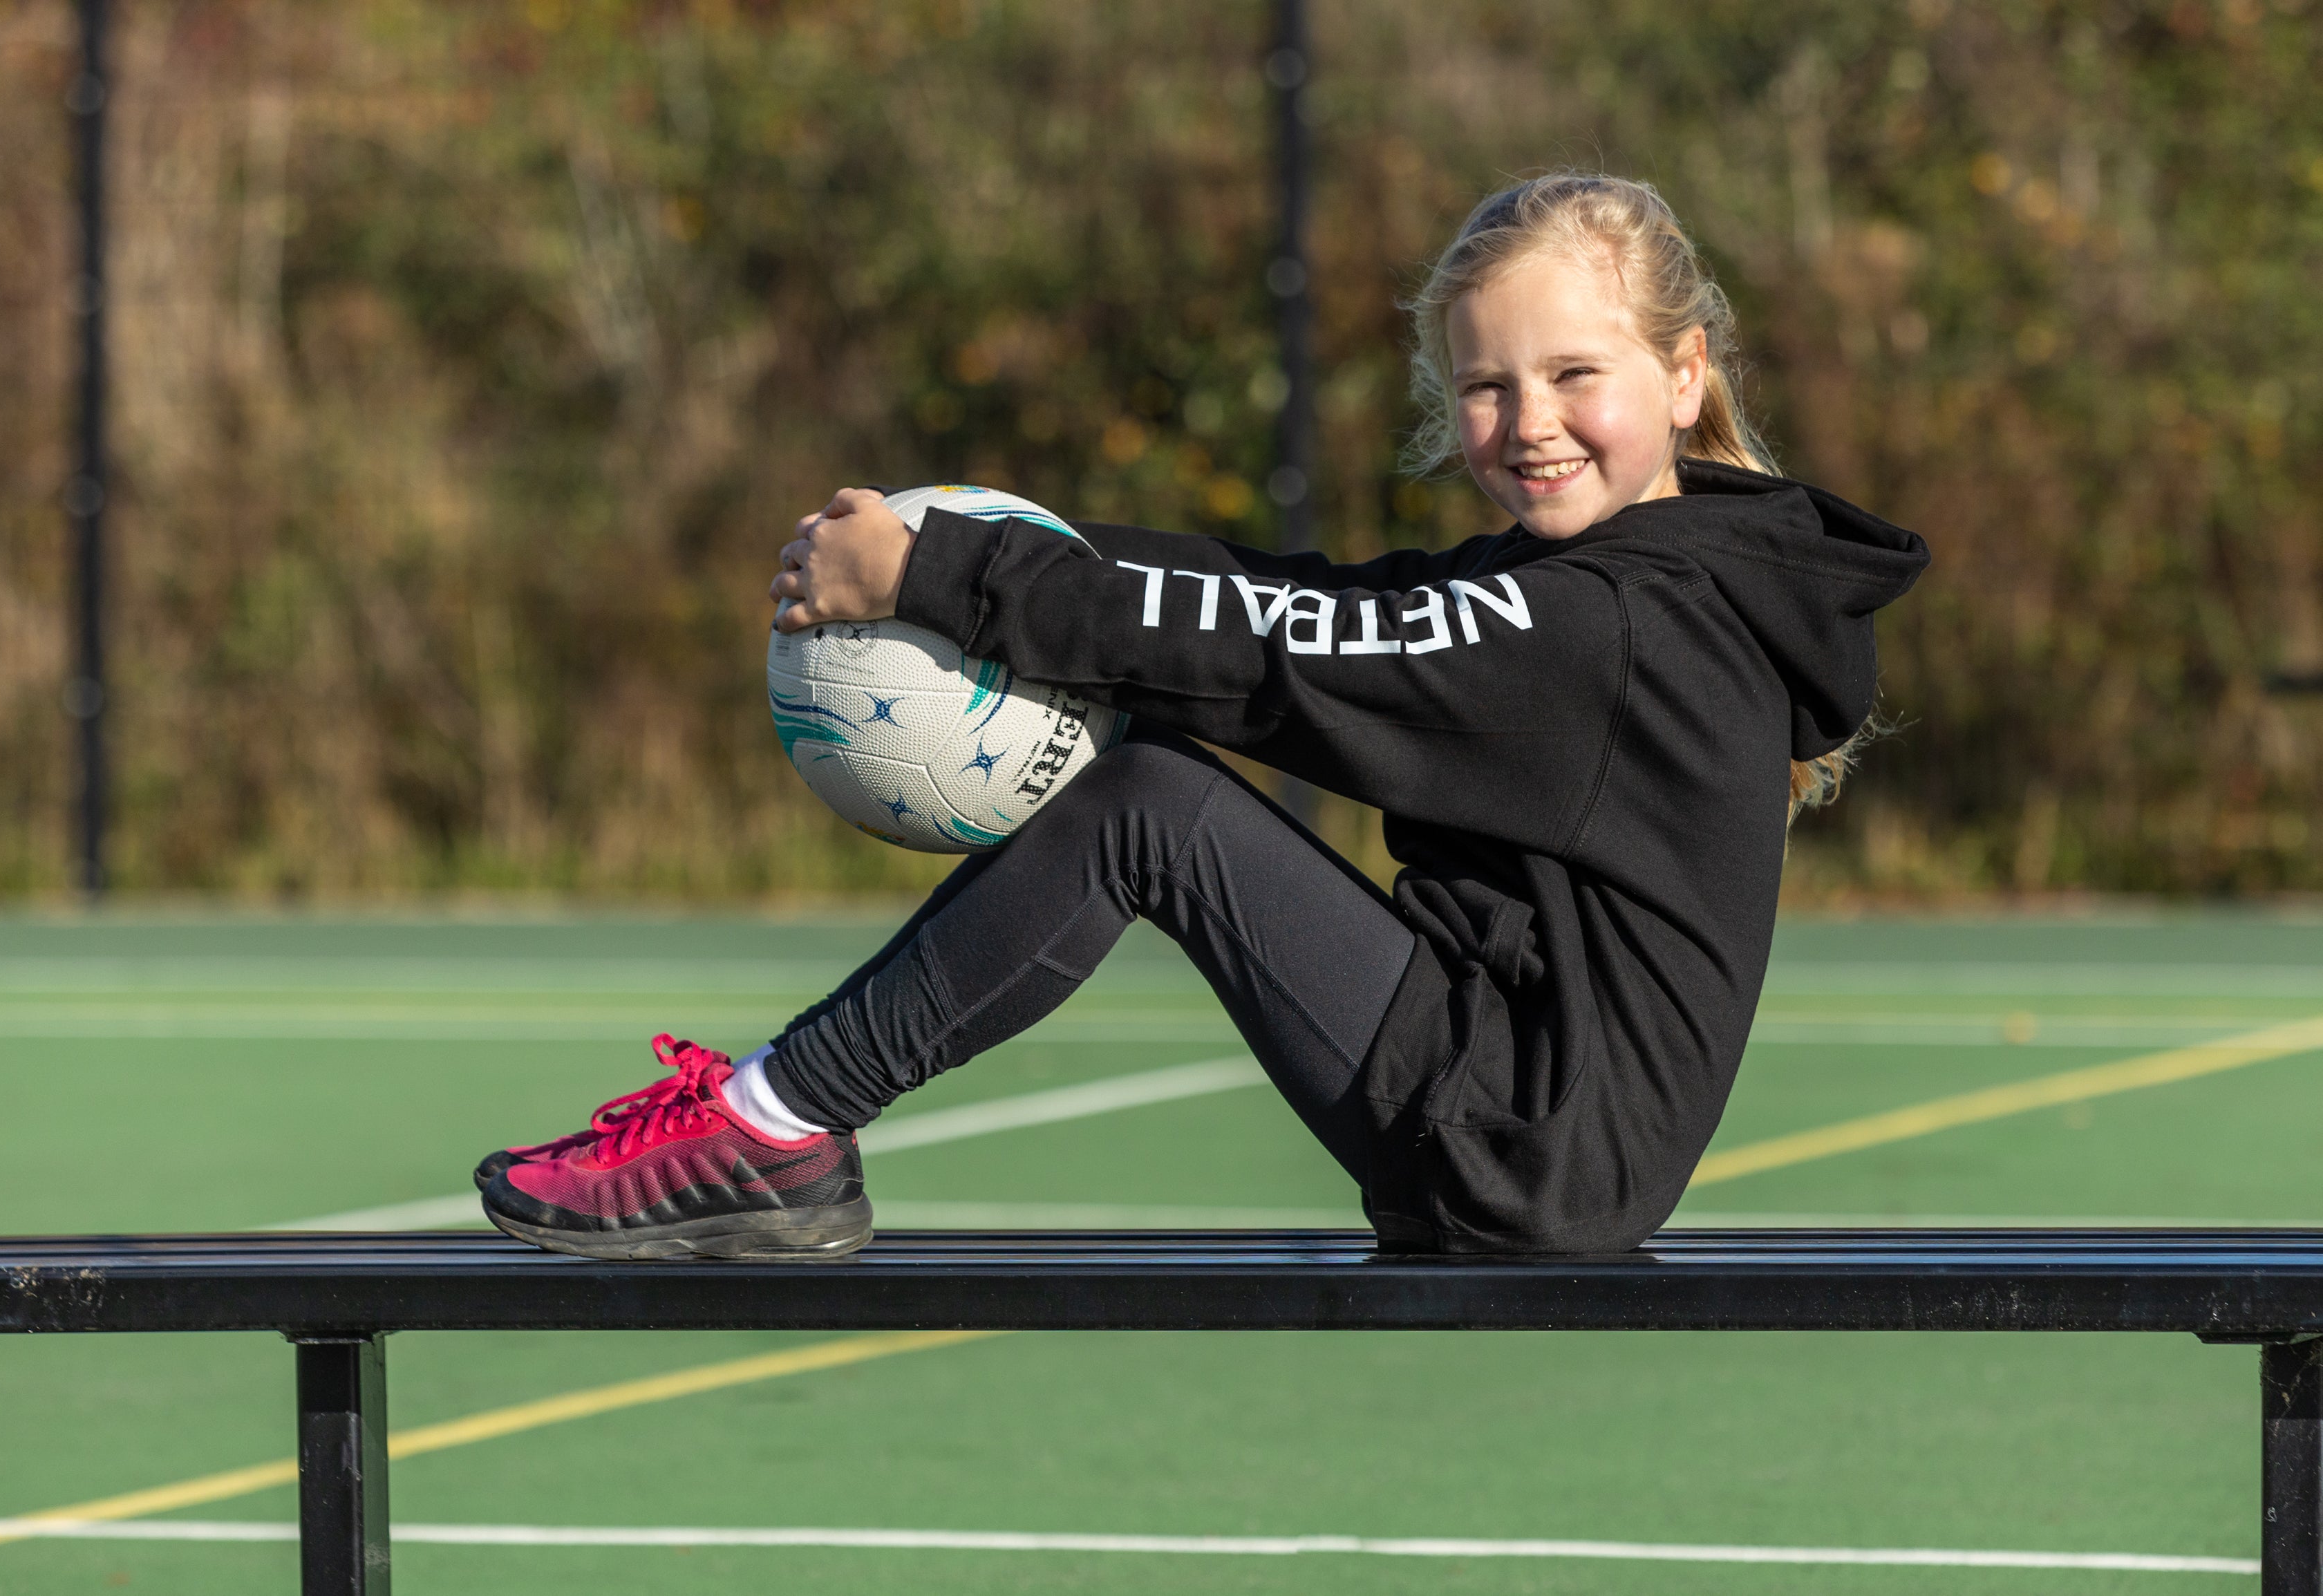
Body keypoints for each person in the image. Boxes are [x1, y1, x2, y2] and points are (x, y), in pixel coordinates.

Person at [476, 171, 1929, 1261]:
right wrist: (994, 566)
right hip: (1518, 1104)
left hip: (1520, 1141)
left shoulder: (1607, 625)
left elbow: (1276, 650)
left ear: (1681, 379)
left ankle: (773, 1134)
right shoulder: (1624, 584)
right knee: (1162, 780)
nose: (1526, 422)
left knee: (1146, 808)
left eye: (1572, 376)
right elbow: (1291, 596)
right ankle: (773, 1131)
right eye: (1483, 387)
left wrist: (947, 571)